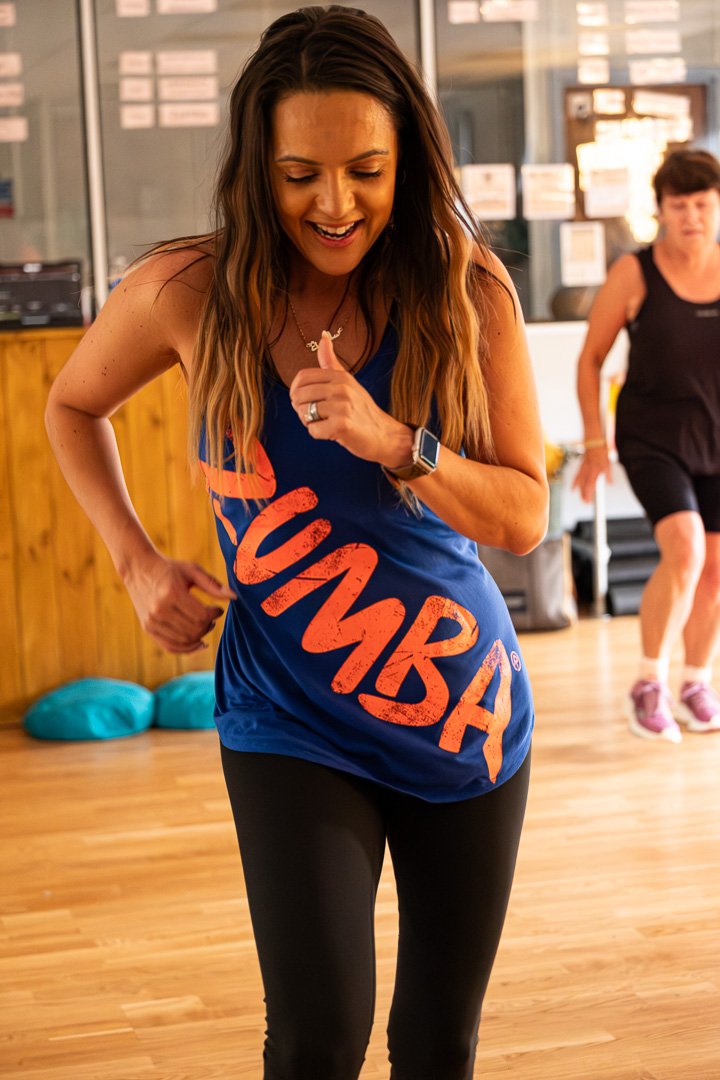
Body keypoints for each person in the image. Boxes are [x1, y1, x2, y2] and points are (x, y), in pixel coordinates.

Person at [45, 7, 548, 1078]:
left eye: (366, 171)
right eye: (299, 174)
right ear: (255, 170)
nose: (334, 204)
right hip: (289, 713)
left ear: (407, 159)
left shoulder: (468, 290)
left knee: (436, 1043)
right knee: (317, 1038)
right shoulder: (188, 291)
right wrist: (135, 562)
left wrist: (397, 442)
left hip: (462, 710)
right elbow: (72, 406)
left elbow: (521, 516)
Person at [574, 146, 720, 744]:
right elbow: (590, 358)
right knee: (685, 549)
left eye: (702, 204)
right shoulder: (635, 274)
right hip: (653, 437)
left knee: (715, 567)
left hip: (716, 436)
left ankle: (695, 682)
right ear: (660, 209)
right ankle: (648, 683)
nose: (691, 217)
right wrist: (594, 441)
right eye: (678, 205)